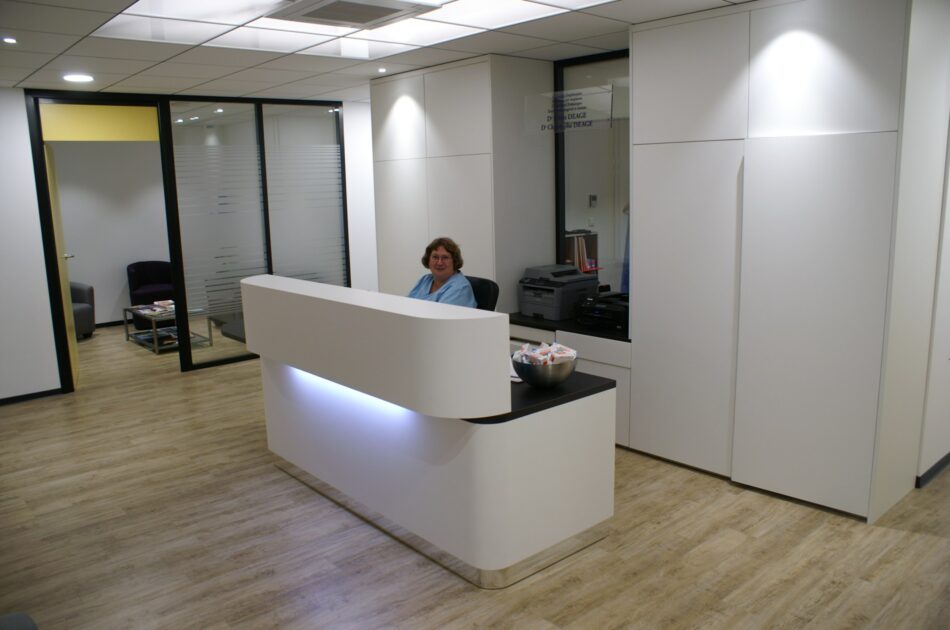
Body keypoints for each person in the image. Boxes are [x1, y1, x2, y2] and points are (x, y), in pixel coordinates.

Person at [408, 237, 477, 308]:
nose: (439, 262)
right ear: (428, 260)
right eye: (435, 257)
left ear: (454, 261)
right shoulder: (425, 280)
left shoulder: (460, 288)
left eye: (445, 257)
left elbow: (439, 314)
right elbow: (407, 305)